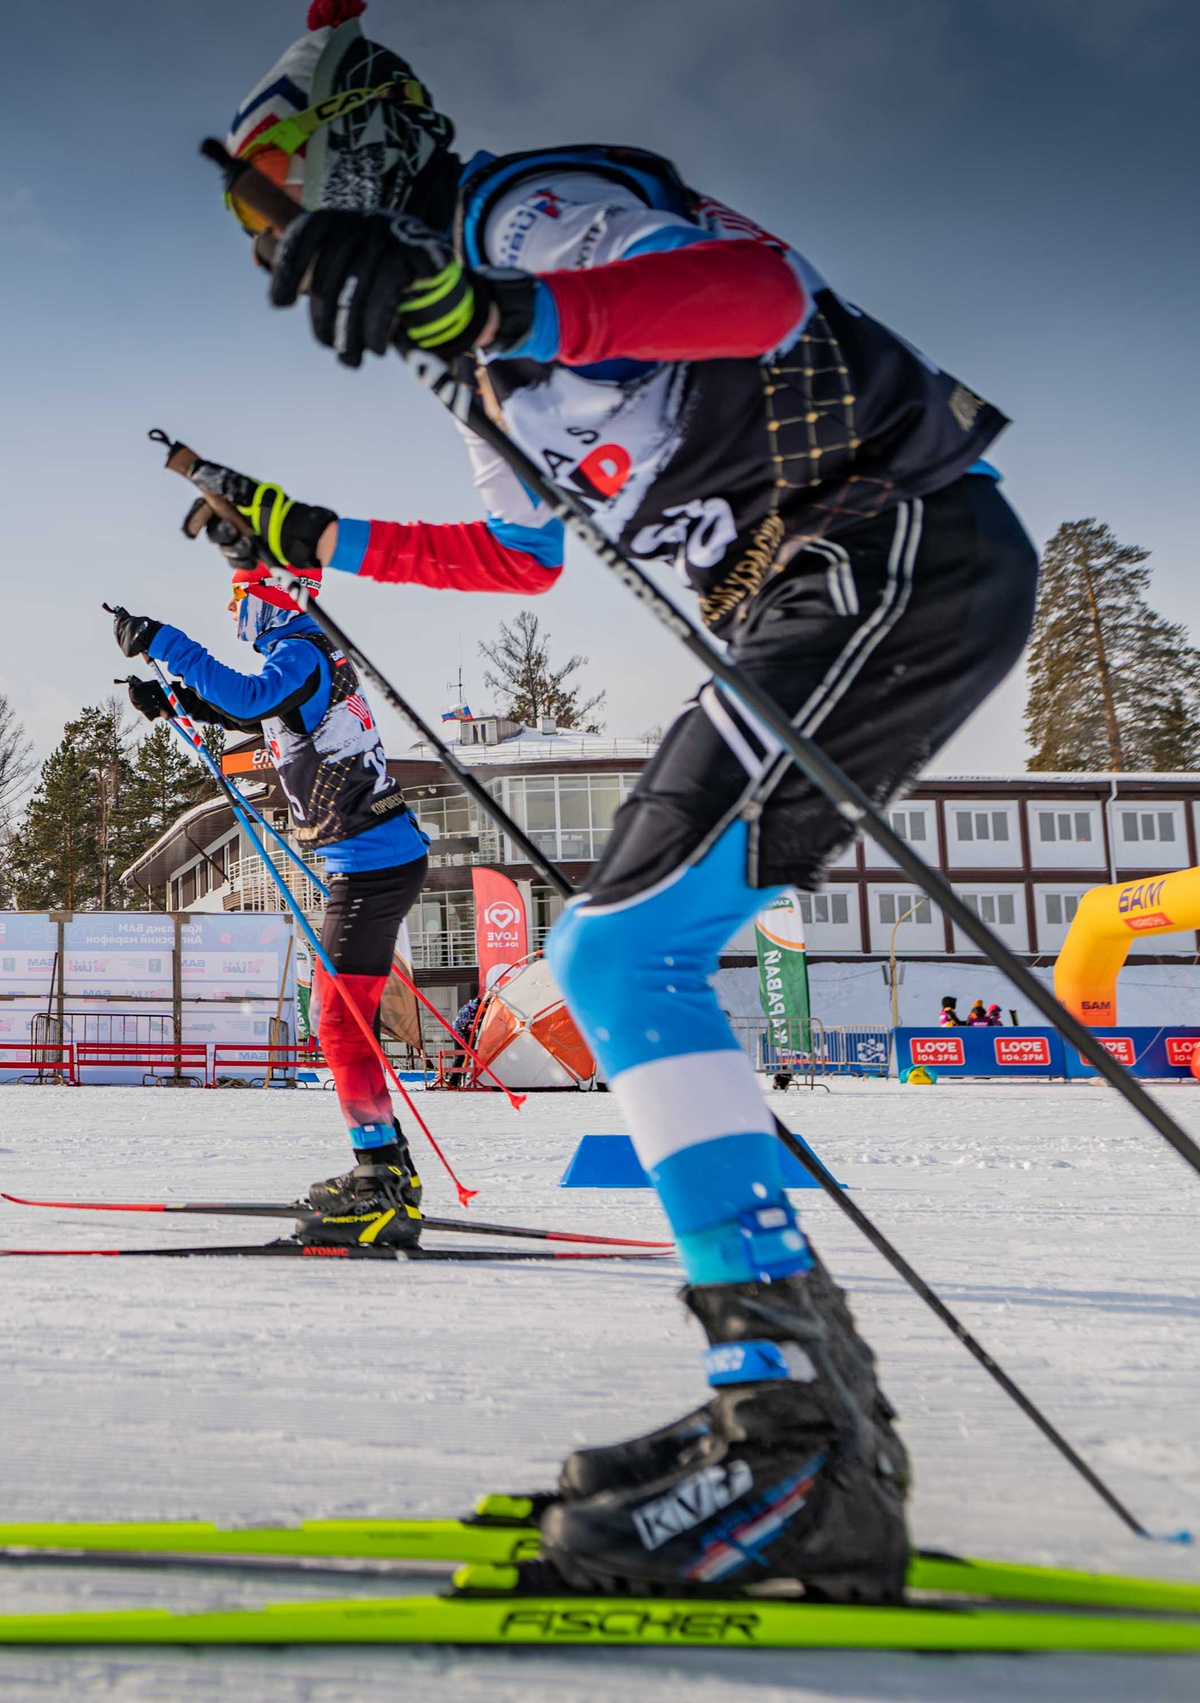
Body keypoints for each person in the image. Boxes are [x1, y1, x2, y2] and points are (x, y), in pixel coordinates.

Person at [209, 0, 1031, 1599]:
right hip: (824, 585)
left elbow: (760, 290)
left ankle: (796, 1437)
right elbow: (514, 554)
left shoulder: (523, 211)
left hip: (892, 537)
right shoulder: (475, 377)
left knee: (618, 952)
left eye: (280, 202)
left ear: (360, 162)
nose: (276, 248)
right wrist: (301, 531)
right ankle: (801, 1422)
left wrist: (499, 290)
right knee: (617, 955)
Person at [111, 581, 431, 1247]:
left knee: (337, 1021)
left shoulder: (302, 653)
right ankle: (387, 1171)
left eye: (237, 600)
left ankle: (382, 1177)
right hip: (373, 861)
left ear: (269, 598)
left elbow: (252, 697)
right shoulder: (306, 659)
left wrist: (164, 641)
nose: (233, 614)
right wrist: (173, 698)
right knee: (344, 1022)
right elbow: (253, 713)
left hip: (374, 865)